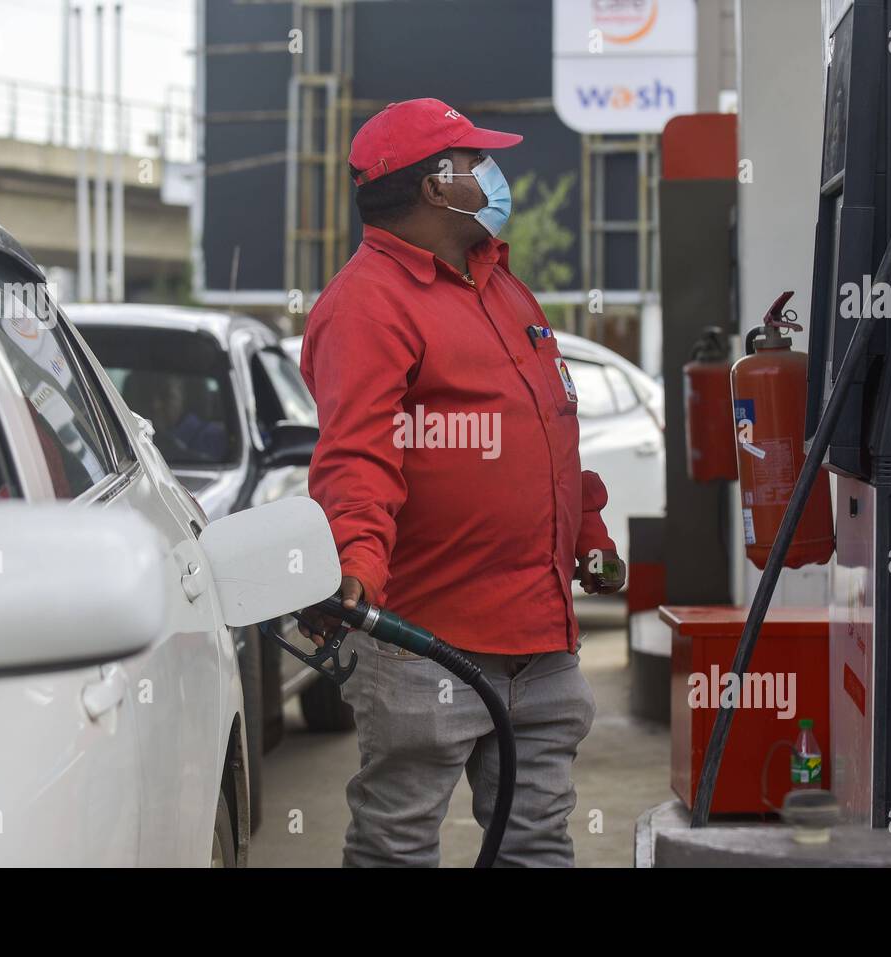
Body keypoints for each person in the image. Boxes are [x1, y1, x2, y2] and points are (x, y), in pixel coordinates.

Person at [298, 98, 624, 868]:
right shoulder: (367, 303)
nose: (495, 173)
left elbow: (548, 432)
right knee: (398, 845)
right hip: (425, 645)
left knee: (536, 843)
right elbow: (357, 456)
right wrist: (355, 568)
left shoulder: (502, 288)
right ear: (438, 185)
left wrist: (589, 534)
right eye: (478, 160)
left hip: (540, 641)